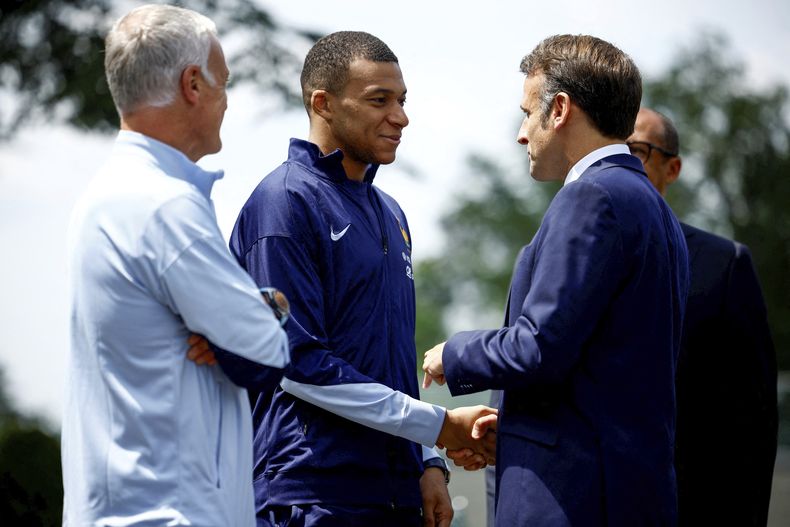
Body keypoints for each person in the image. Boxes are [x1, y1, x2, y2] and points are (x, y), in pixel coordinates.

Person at [215, 31, 496, 527]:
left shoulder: (391, 212)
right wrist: (439, 426)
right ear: (322, 103)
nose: (401, 117)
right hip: (312, 490)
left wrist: (427, 461)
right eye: (379, 100)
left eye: (403, 100)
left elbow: (388, 357)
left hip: (395, 492)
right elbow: (296, 362)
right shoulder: (284, 202)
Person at [423, 34, 690, 526]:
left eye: (527, 113)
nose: (522, 133)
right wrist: (513, 426)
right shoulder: (655, 209)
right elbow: (601, 367)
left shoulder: (591, 197)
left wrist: (453, 354)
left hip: (573, 500)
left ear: (560, 109)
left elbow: (538, 347)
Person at [62, 5, 290, 526]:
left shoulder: (107, 196)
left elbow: (245, 331)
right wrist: (269, 309)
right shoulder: (166, 206)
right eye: (224, 84)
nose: (228, 102)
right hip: (174, 512)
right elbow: (267, 349)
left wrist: (254, 311)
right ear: (193, 83)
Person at [628, 108, 778, 526]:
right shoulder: (565, 259)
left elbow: (754, 422)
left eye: (636, 150)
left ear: (672, 168)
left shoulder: (724, 264)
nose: (622, 161)